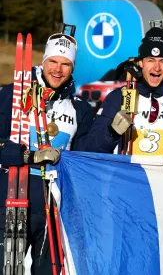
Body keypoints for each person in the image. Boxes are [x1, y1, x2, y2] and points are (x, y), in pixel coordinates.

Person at [0, 31, 93, 274]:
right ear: (43, 62)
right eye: (53, 61)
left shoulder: (79, 109)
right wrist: (26, 156)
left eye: (65, 64)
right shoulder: (12, 95)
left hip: (54, 211)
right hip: (11, 203)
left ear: (72, 68)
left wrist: (112, 133)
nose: (58, 69)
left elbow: (86, 158)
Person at [81, 27, 163, 170]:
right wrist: (111, 133)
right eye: (151, 60)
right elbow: (89, 148)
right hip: (127, 182)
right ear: (141, 63)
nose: (157, 68)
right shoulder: (119, 97)